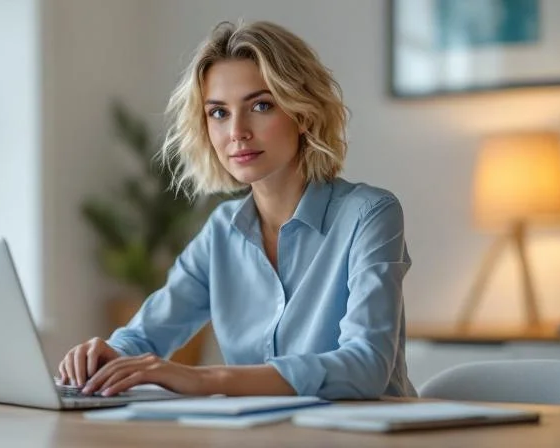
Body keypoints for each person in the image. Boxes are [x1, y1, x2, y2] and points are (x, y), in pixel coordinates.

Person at [58, 20, 415, 400]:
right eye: (218, 113)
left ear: (304, 113)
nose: (237, 132)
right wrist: (105, 356)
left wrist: (206, 379)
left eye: (260, 105)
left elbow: (366, 366)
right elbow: (144, 337)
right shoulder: (221, 232)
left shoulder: (370, 214)